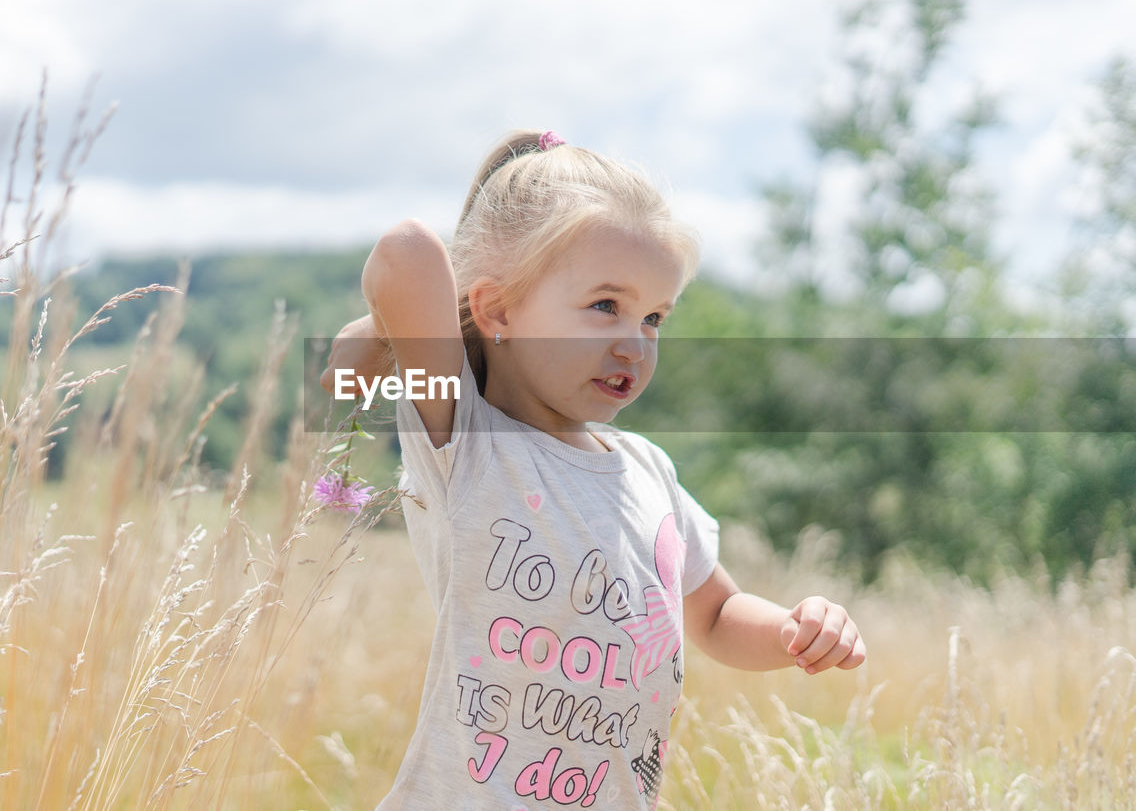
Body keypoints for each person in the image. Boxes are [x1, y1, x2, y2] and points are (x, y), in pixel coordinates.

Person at [321, 130, 866, 810]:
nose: (634, 341)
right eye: (605, 304)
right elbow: (407, 252)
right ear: (497, 308)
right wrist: (383, 334)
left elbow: (719, 612)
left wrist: (794, 627)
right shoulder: (467, 441)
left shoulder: (647, 470)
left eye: (654, 317)